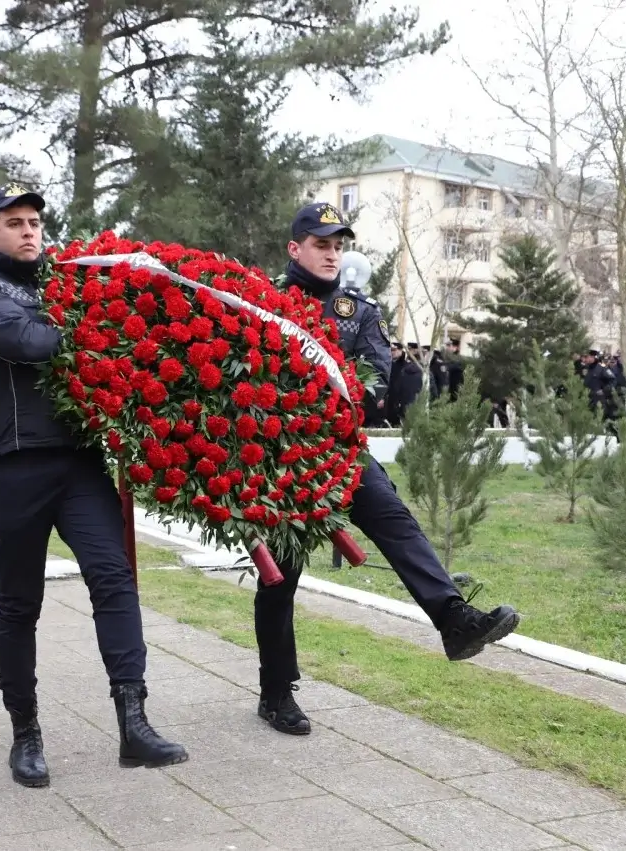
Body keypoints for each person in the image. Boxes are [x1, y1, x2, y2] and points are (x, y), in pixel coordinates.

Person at [0, 182, 188, 788]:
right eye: (14, 221)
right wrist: (103, 325)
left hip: (80, 463)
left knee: (114, 579)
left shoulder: (68, 284)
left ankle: (134, 723)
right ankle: (25, 733)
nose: (29, 230)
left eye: (34, 221)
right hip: (14, 465)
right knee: (20, 604)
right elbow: (28, 342)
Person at [256, 202, 521, 735]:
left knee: (395, 519)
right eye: (321, 244)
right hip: (281, 460)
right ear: (295, 248)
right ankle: (276, 691)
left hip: (339, 450)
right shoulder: (264, 302)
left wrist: (358, 392)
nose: (331, 254)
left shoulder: (359, 311)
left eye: (338, 246)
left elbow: (374, 382)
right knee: (281, 577)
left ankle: (453, 620)